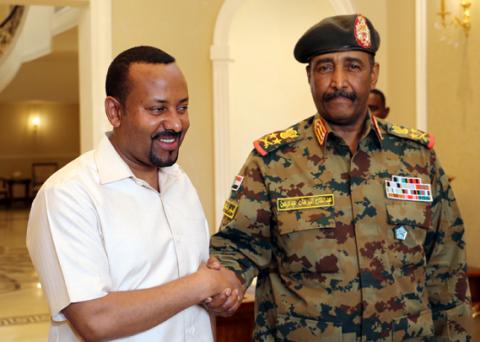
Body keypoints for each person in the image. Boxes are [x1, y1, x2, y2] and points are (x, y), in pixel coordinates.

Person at [208, 15, 471, 340]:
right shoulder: (273, 162)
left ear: (373, 73)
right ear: (309, 76)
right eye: (325, 67)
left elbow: (447, 270)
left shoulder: (417, 158)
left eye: (353, 66)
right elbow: (237, 247)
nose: (339, 82)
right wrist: (225, 283)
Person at [26, 46, 241, 341]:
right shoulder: (68, 195)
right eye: (157, 109)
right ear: (115, 111)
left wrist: (220, 294)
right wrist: (202, 284)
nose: (176, 123)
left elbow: (202, 281)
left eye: (182, 107)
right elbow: (95, 320)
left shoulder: (180, 182)